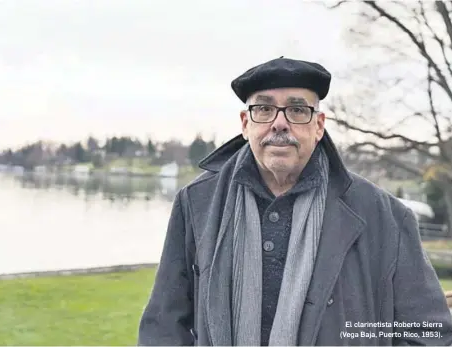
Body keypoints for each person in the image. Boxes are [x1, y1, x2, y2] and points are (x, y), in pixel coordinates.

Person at [137, 56, 452, 346]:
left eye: (298, 110)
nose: (279, 123)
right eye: (264, 109)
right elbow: (163, 327)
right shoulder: (197, 204)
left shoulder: (385, 217)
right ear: (246, 124)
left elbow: (428, 335)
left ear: (318, 125)